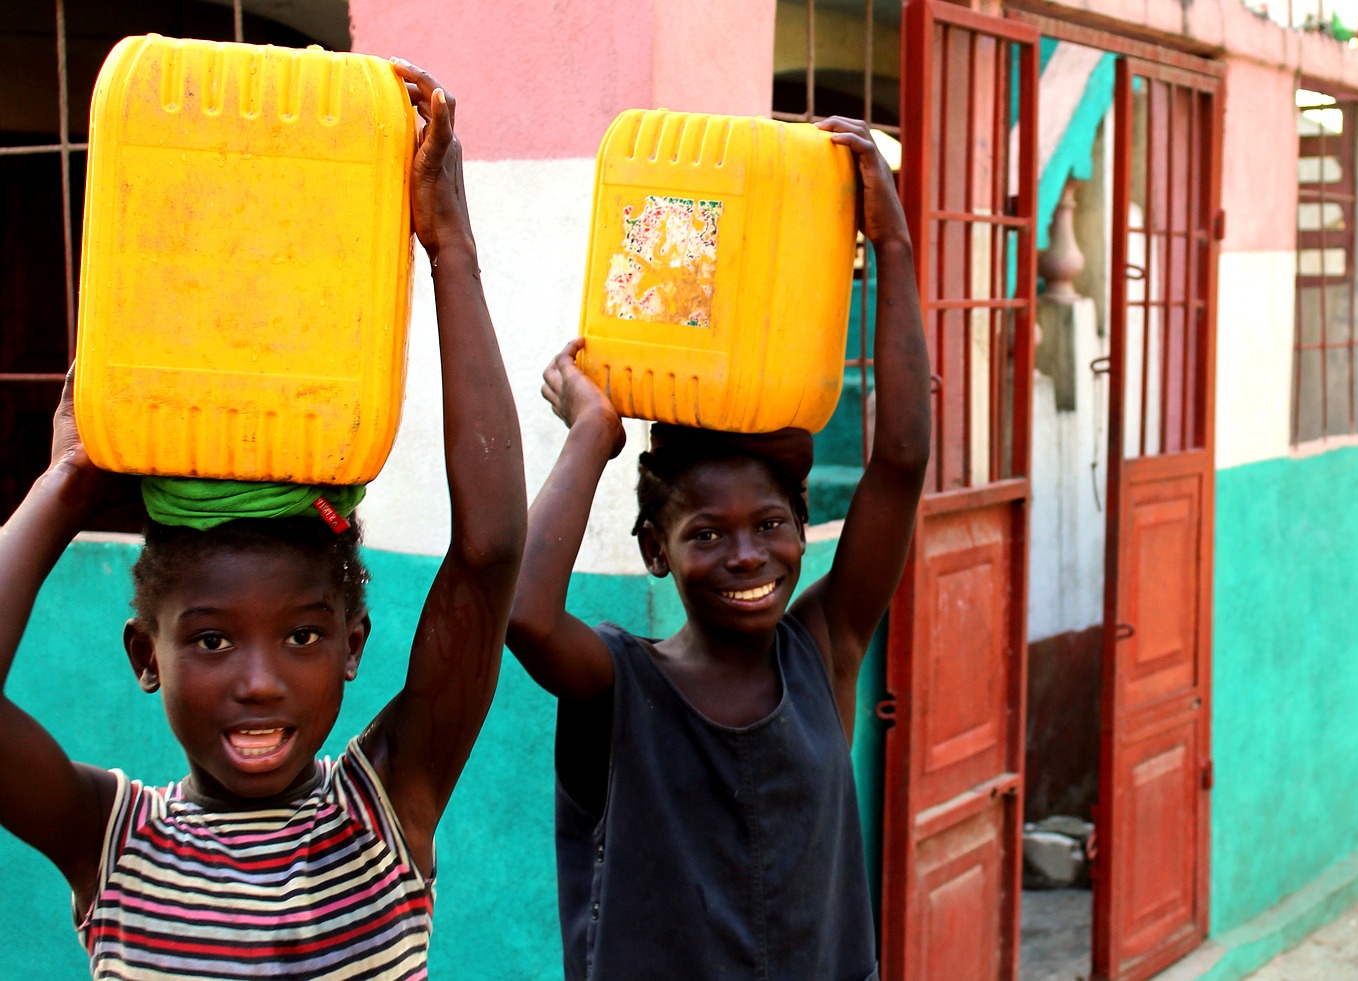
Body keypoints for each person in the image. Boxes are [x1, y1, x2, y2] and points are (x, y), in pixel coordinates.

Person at [0, 62, 524, 978]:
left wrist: (451, 250)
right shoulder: (113, 845)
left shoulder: (390, 806)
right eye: (208, 641)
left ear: (353, 644)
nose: (259, 681)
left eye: (302, 635)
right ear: (144, 655)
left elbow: (490, 555)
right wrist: (70, 480)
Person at [506, 117, 930, 980]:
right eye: (706, 534)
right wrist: (594, 432)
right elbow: (523, 617)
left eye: (770, 524)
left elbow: (902, 460)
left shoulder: (826, 649)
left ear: (800, 525)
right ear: (655, 552)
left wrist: (892, 246)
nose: (748, 554)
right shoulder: (618, 684)